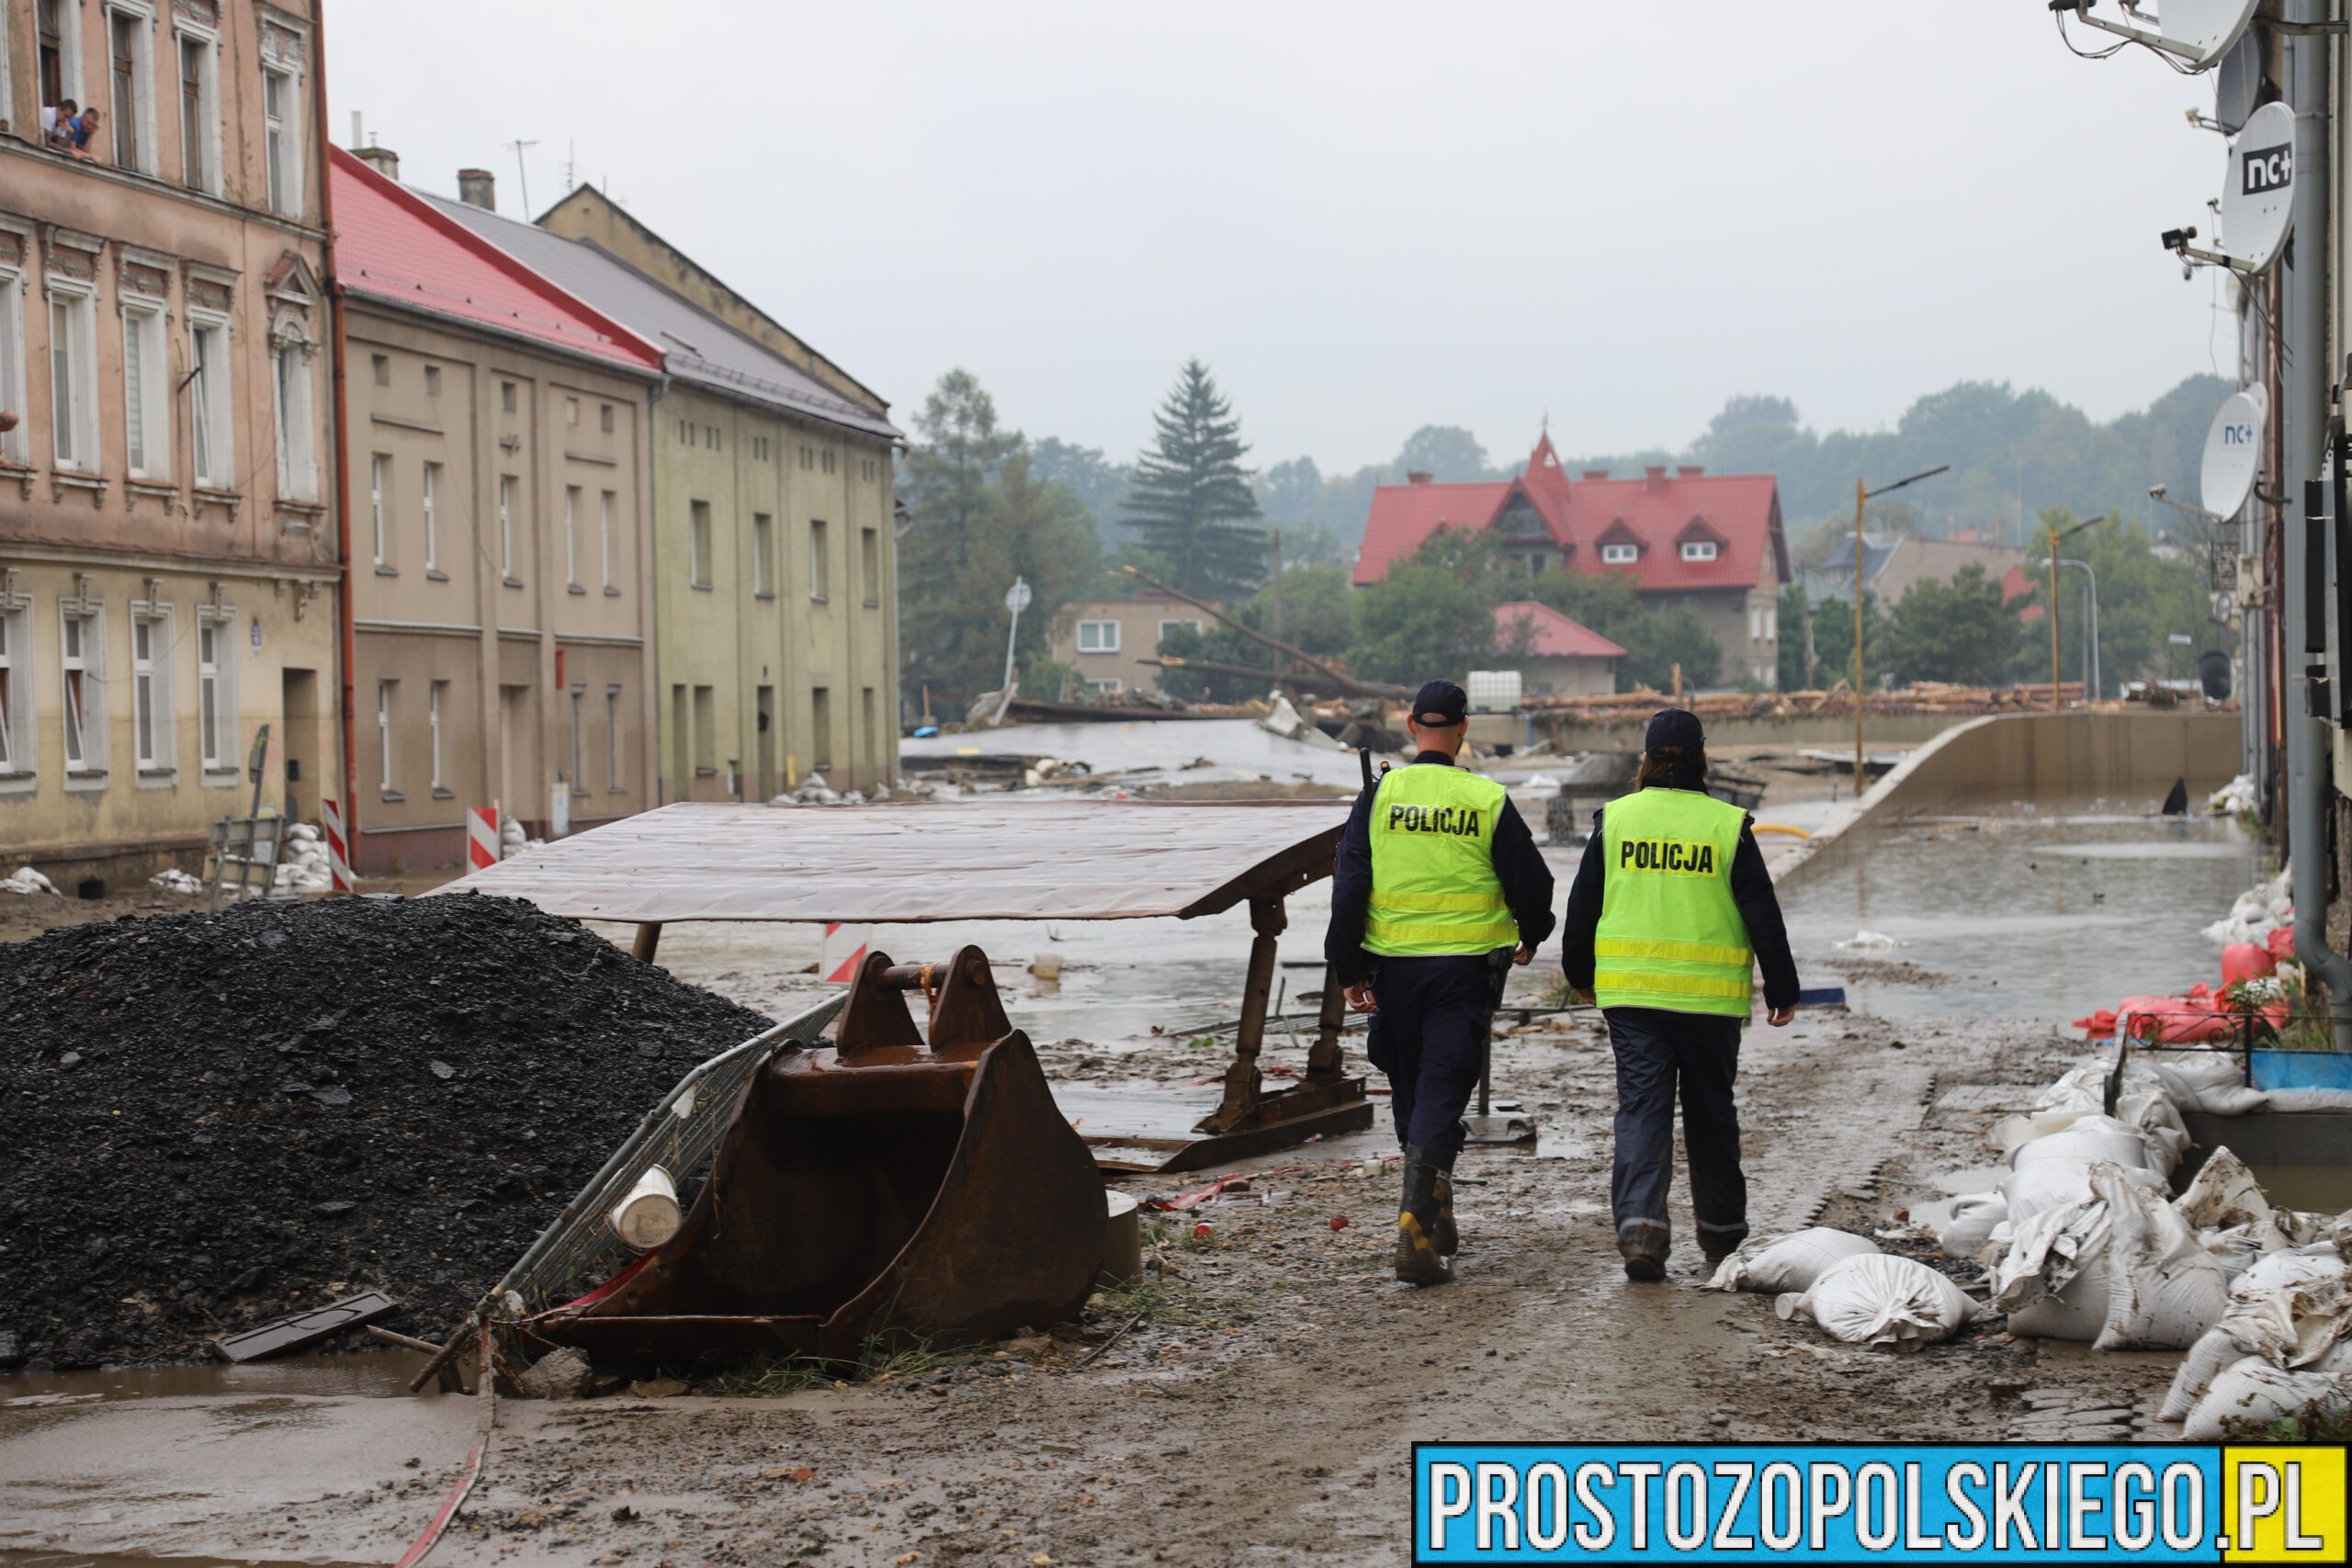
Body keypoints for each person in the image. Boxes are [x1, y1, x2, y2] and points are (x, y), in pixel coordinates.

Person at [1326, 678, 1555, 1285]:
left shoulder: (1379, 794)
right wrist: (1534, 930)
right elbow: (1532, 882)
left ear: (1409, 726)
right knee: (1441, 1089)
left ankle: (1434, 1200)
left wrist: (1346, 967)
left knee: (1411, 1089)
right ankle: (1416, 1227)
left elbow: (1349, 883)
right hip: (1461, 973)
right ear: (1461, 730)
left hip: (1390, 971)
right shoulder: (1485, 798)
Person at [1560, 707, 1799, 1281]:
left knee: (1643, 1110)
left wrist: (1578, 973)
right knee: (1711, 1114)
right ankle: (1721, 1236)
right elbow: (1761, 913)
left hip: (1634, 1000)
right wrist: (1783, 987)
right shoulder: (1726, 825)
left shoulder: (1615, 821)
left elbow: (1583, 903)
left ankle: (1641, 1230)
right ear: (1702, 759)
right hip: (1710, 1005)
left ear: (1645, 760)